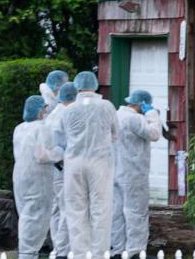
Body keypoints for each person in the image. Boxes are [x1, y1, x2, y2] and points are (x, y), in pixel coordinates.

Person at [56, 71, 118, 258]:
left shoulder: (68, 110)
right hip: (100, 162)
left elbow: (59, 139)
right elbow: (115, 135)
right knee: (101, 209)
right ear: (95, 84)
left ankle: (80, 253)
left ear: (77, 86)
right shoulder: (107, 106)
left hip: (74, 164)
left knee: (76, 210)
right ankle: (99, 254)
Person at [111, 90, 162, 256]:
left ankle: (117, 249)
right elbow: (154, 134)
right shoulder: (135, 118)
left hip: (116, 171)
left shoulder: (116, 115)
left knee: (117, 212)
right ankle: (135, 251)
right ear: (142, 104)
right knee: (136, 213)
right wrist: (152, 114)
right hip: (134, 173)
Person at [14, 95, 55, 259]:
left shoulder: (19, 128)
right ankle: (28, 254)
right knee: (36, 219)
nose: (45, 112)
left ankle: (25, 252)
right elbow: (42, 156)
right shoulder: (41, 128)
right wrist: (60, 153)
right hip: (39, 177)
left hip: (20, 176)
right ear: (39, 111)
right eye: (44, 109)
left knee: (25, 216)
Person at [43, 81, 78, 258]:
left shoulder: (53, 114)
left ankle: (58, 246)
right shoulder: (66, 115)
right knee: (67, 209)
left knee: (57, 209)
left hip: (55, 168)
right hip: (64, 167)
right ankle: (64, 250)